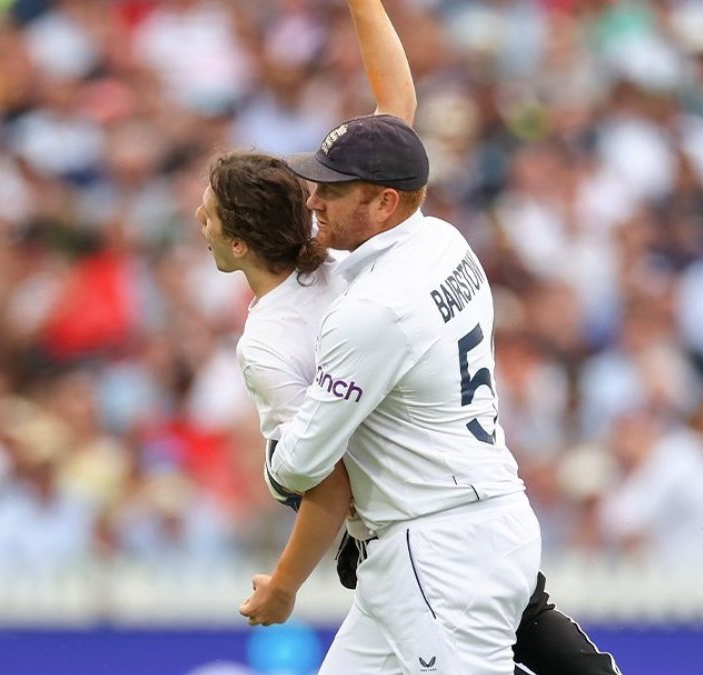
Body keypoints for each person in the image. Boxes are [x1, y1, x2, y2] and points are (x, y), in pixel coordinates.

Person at [207, 3, 624, 673]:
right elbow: (396, 106)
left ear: (383, 202)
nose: (315, 199)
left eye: (335, 190)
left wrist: (275, 464)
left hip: (436, 544)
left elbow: (304, 463)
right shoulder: (438, 239)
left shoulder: (374, 307)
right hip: (475, 515)